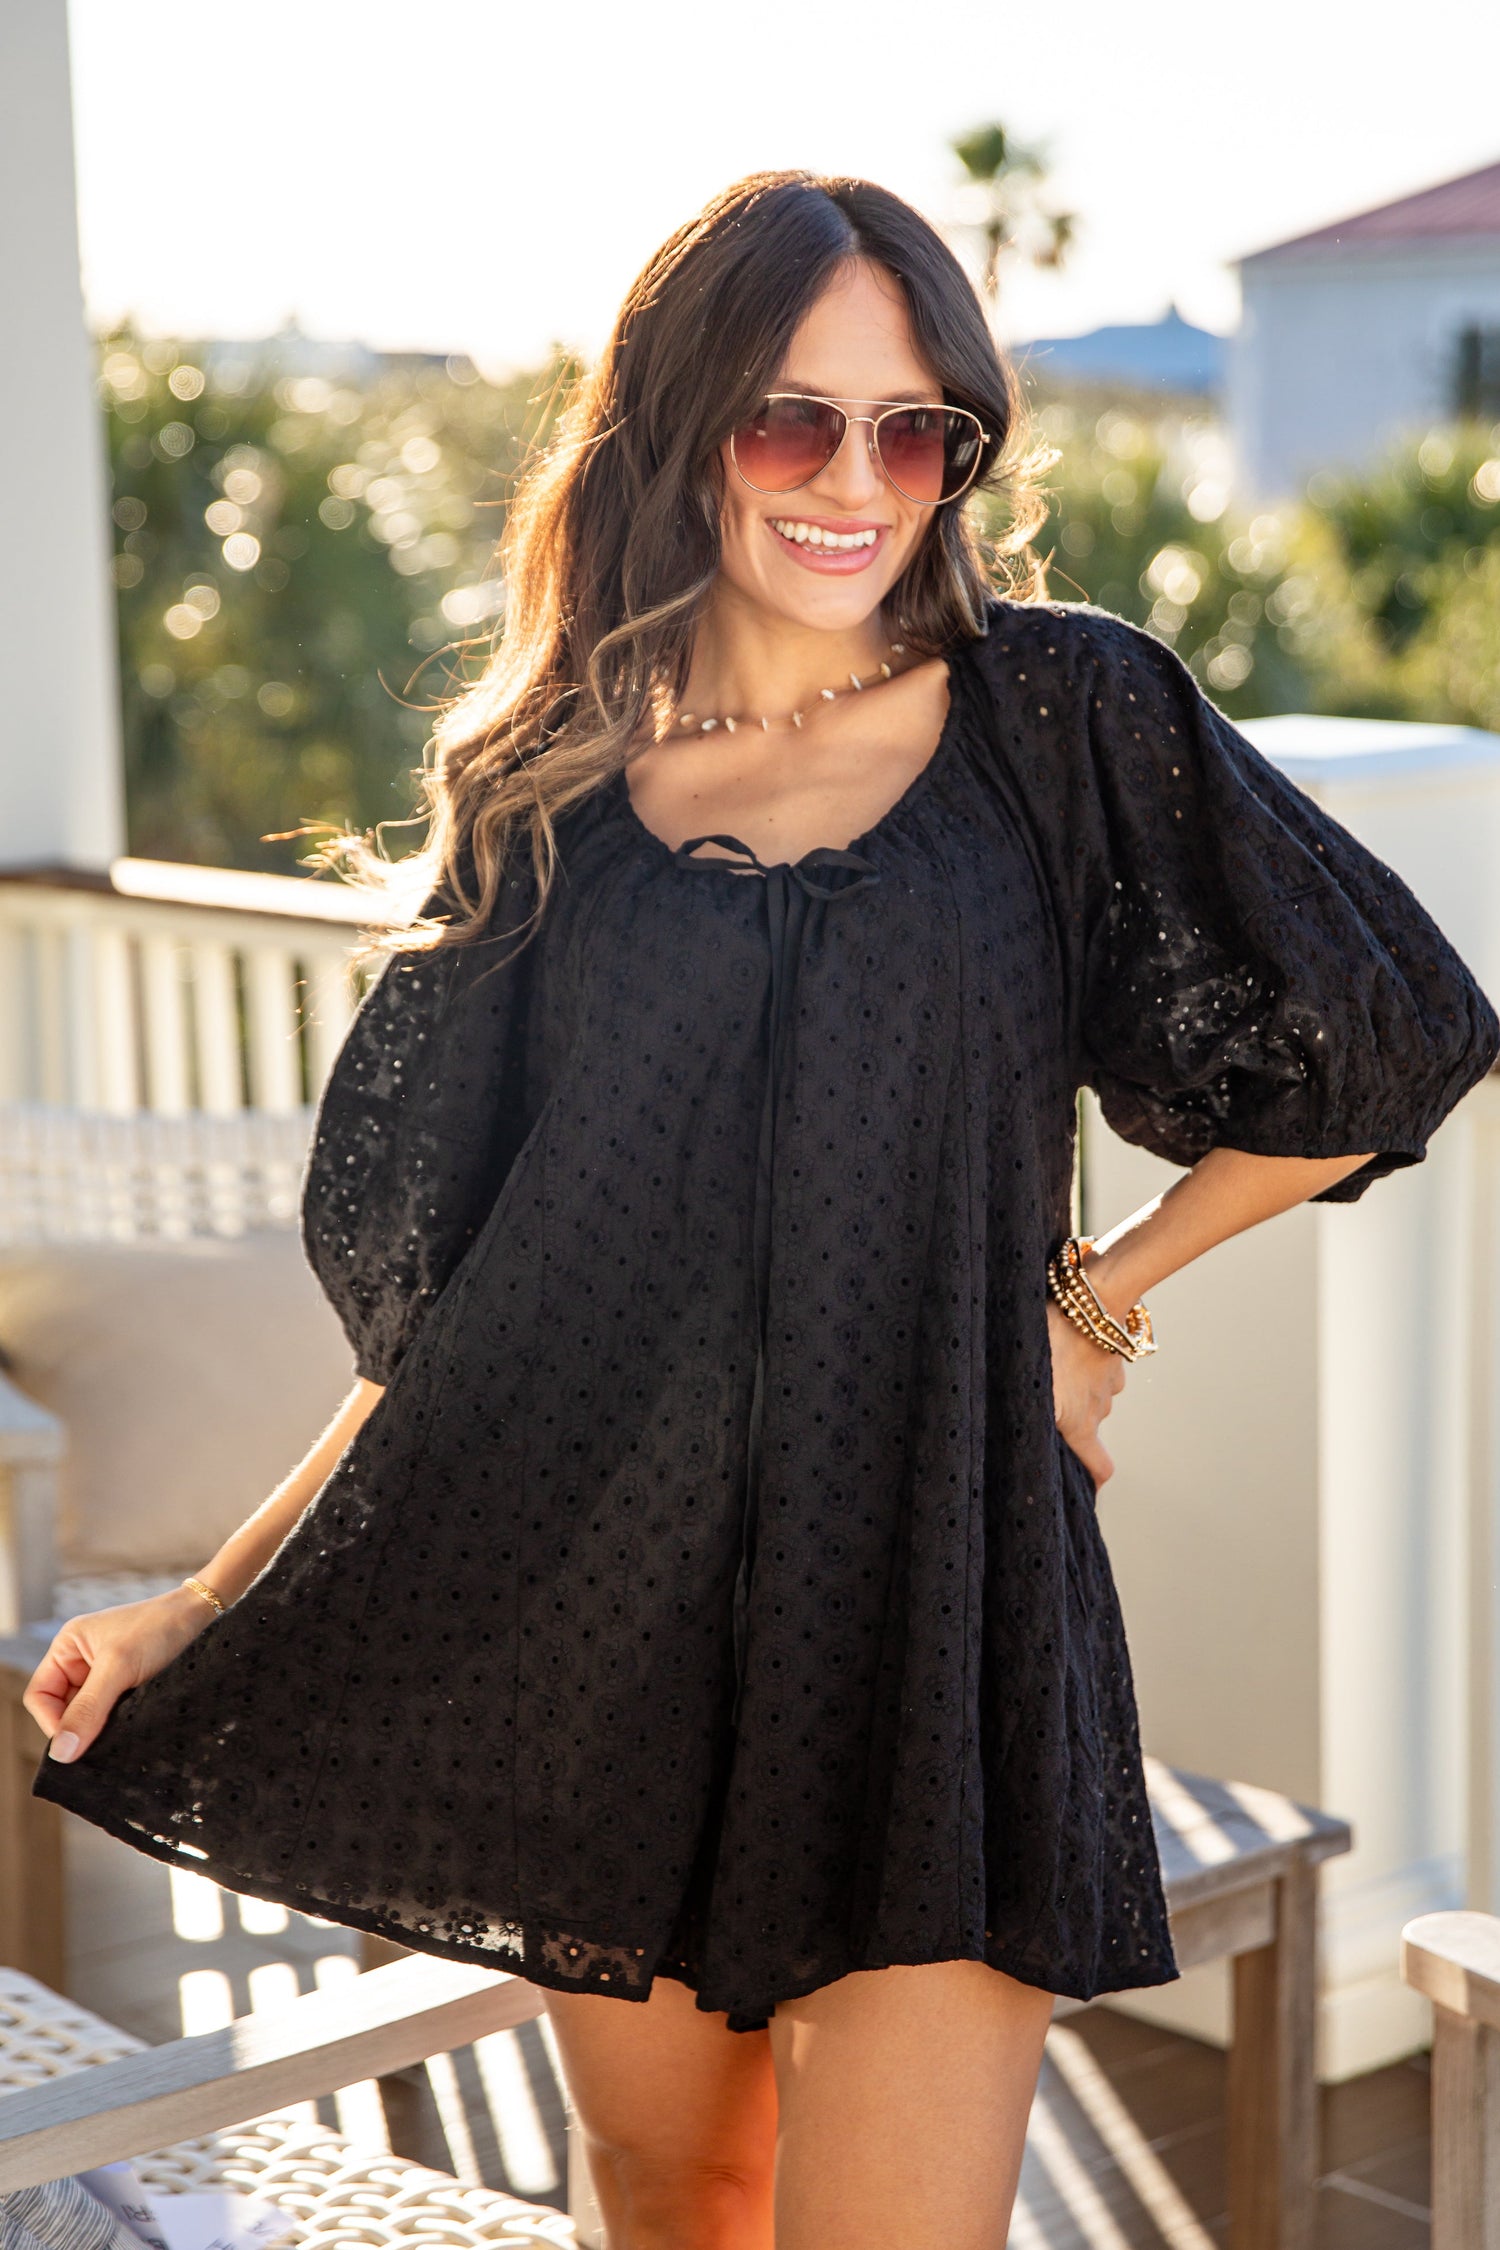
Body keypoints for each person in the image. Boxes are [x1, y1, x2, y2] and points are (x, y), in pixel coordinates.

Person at [26, 172, 1499, 2250]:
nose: (856, 482)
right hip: (584, 1620)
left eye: (917, 431)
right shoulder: (545, 788)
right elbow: (456, 1333)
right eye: (791, 419)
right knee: (672, 2194)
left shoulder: (1061, 717)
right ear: (677, 418)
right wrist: (198, 1607)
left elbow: (1385, 1036)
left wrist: (1103, 1297)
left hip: (938, 1610)